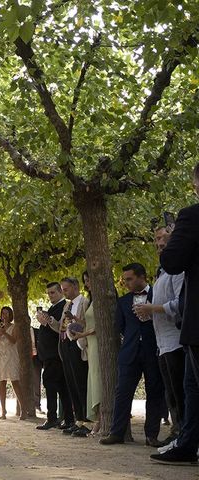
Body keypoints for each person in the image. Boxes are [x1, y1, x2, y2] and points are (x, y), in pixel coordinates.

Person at [152, 163, 199, 466]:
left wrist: (174, 237)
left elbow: (171, 261)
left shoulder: (192, 215)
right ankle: (187, 442)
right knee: (191, 386)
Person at [99, 263, 166, 447]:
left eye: (129, 279)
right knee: (122, 393)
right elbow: (119, 327)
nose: (126, 283)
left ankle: (151, 436)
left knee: (155, 392)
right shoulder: (123, 301)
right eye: (125, 279)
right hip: (129, 353)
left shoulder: (158, 296)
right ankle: (116, 433)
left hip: (154, 350)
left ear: (142, 276)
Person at [133, 227, 184, 445]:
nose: (159, 243)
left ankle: (183, 437)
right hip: (162, 344)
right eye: (156, 240)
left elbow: (181, 304)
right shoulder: (162, 273)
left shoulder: (179, 270)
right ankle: (178, 434)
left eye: (163, 238)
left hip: (176, 342)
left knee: (180, 394)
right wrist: (148, 314)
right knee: (171, 395)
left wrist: (152, 309)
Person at [48, 277, 90, 436]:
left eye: (65, 289)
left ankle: (87, 420)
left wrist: (74, 323)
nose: (64, 292)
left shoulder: (84, 302)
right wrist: (50, 321)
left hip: (77, 344)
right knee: (71, 382)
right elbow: (61, 326)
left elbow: (86, 324)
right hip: (64, 344)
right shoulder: (67, 304)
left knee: (80, 382)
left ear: (75, 287)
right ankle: (77, 419)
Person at [36, 282, 75, 430]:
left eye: (52, 293)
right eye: (48, 293)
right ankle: (67, 419)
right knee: (61, 386)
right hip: (49, 354)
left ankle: (53, 418)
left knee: (52, 384)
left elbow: (61, 328)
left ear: (60, 292)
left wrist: (49, 321)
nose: (50, 296)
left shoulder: (63, 307)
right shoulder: (53, 308)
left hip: (55, 353)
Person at [72, 271, 101, 435]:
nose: (87, 283)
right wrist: (77, 322)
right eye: (85, 280)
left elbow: (100, 325)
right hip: (90, 345)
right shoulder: (91, 300)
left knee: (97, 380)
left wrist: (82, 334)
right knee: (93, 380)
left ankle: (99, 421)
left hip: (96, 343)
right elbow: (89, 322)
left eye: (89, 279)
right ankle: (97, 418)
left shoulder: (100, 298)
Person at [0, 306, 28, 420]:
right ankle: (3, 411)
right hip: (1, 357)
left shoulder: (14, 327)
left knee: (15, 382)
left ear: (10, 315)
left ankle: (23, 409)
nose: (4, 316)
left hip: (11, 357)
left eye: (6, 314)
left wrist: (5, 333)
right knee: (1, 382)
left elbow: (14, 341)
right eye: (3, 313)